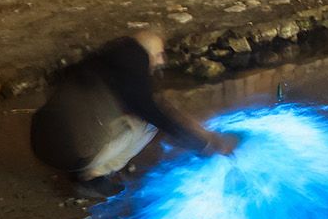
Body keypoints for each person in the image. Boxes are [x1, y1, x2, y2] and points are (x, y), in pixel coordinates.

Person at [30, 30, 238, 196]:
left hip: (40, 144)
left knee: (123, 112)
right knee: (147, 123)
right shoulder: (132, 67)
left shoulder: (102, 61)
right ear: (145, 53)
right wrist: (205, 143)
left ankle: (85, 161)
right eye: (158, 55)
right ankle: (91, 176)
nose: (161, 62)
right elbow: (157, 115)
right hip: (71, 155)